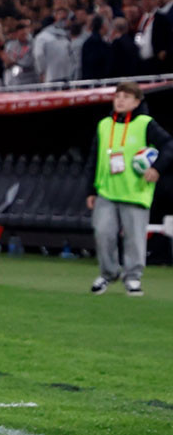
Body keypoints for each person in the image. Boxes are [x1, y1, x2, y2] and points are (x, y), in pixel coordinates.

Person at [87, 82, 173, 297]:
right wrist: (90, 190)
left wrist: (157, 168)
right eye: (118, 96)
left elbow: (169, 145)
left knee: (134, 239)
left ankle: (133, 277)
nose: (120, 100)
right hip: (106, 190)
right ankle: (108, 273)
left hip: (135, 191)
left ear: (137, 102)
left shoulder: (146, 124)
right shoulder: (104, 125)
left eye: (126, 97)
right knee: (103, 233)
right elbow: (94, 159)